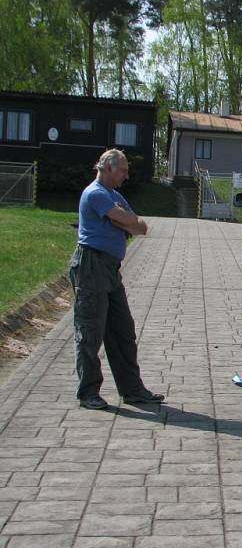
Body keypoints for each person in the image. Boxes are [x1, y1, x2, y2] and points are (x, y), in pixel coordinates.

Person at [69, 149, 165, 410]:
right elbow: (127, 220)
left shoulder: (115, 196)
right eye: (123, 170)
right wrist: (123, 221)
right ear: (108, 168)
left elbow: (140, 226)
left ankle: (133, 390)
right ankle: (88, 392)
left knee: (123, 331)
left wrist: (122, 221)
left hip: (111, 269)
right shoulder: (96, 193)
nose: (126, 175)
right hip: (91, 266)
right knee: (90, 332)